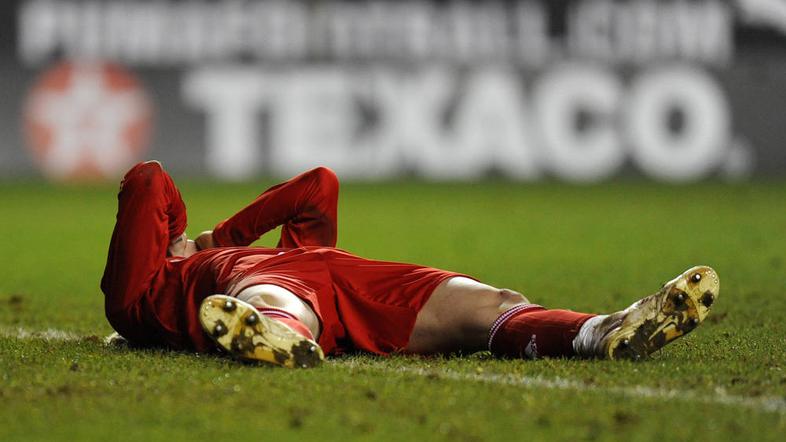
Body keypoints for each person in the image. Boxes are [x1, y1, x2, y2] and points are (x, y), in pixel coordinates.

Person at [101, 161, 720, 368]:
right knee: (276, 295)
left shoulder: (243, 249)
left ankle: (603, 332)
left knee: (495, 304)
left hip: (345, 277)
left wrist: (219, 234)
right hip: (257, 289)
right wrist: (190, 244)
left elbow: (317, 185)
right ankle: (274, 334)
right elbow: (149, 179)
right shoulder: (147, 296)